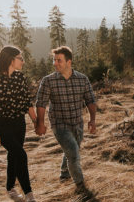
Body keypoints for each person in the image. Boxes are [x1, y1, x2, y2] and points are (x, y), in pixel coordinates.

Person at [35, 46, 97, 192]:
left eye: (59, 60)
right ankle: (81, 186)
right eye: (54, 60)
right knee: (74, 152)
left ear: (69, 62)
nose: (55, 63)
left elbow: (90, 100)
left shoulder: (82, 79)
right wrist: (40, 123)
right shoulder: (48, 81)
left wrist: (93, 120)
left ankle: (64, 175)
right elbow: (41, 103)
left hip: (77, 123)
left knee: (70, 150)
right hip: (59, 124)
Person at [0, 45, 39, 202]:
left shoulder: (19, 77)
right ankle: (29, 194)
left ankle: (10, 188)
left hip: (19, 123)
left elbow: (27, 102)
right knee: (21, 155)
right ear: (10, 59)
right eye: (20, 58)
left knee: (14, 155)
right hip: (2, 125)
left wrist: (36, 122)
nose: (23, 61)